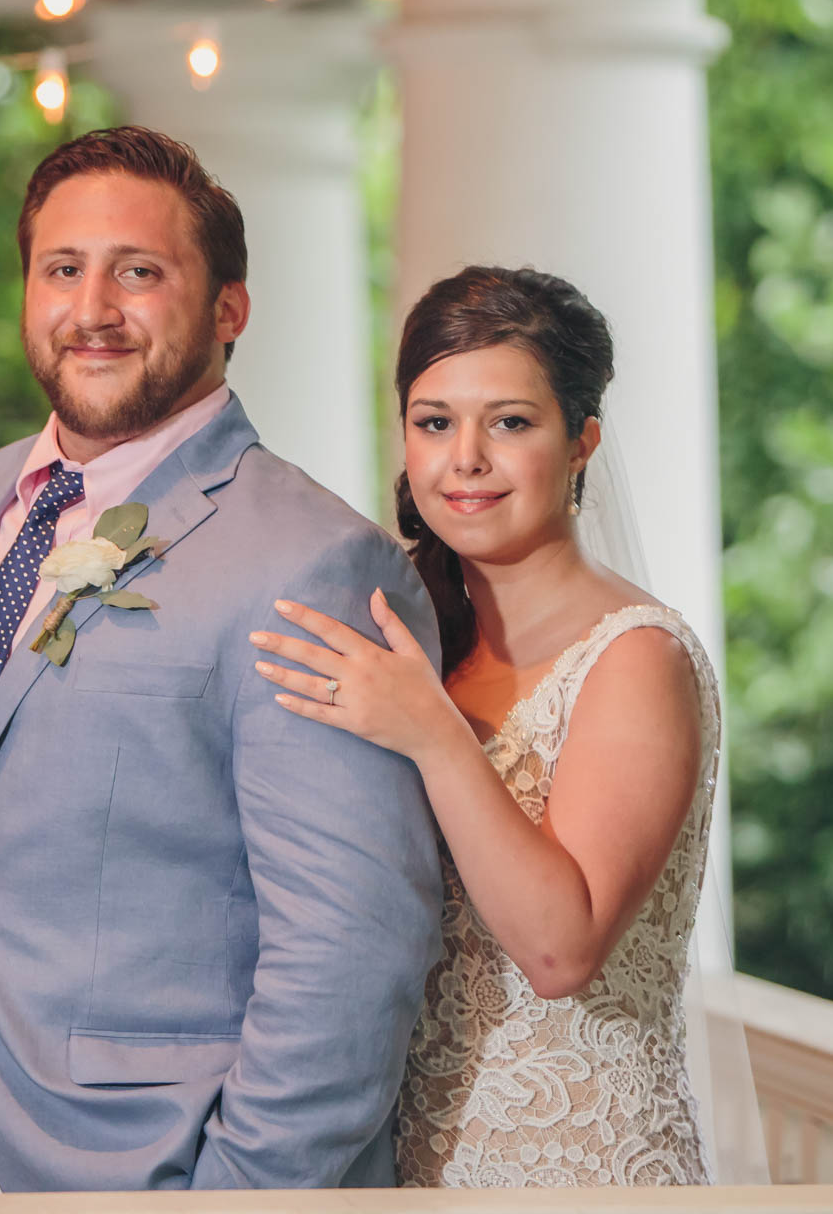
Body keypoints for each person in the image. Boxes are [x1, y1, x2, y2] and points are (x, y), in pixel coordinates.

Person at [0, 126, 444, 1194]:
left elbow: (349, 949)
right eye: (63, 269)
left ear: (228, 309)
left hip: (149, 1166)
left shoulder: (312, 557)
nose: (94, 309)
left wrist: (237, 1190)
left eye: (140, 272)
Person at [252, 265, 722, 1185]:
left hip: (583, 1167)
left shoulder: (635, 659)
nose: (465, 458)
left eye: (509, 422)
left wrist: (432, 733)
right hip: (404, 1161)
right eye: (435, 423)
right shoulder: (407, 640)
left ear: (582, 440)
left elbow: (561, 947)